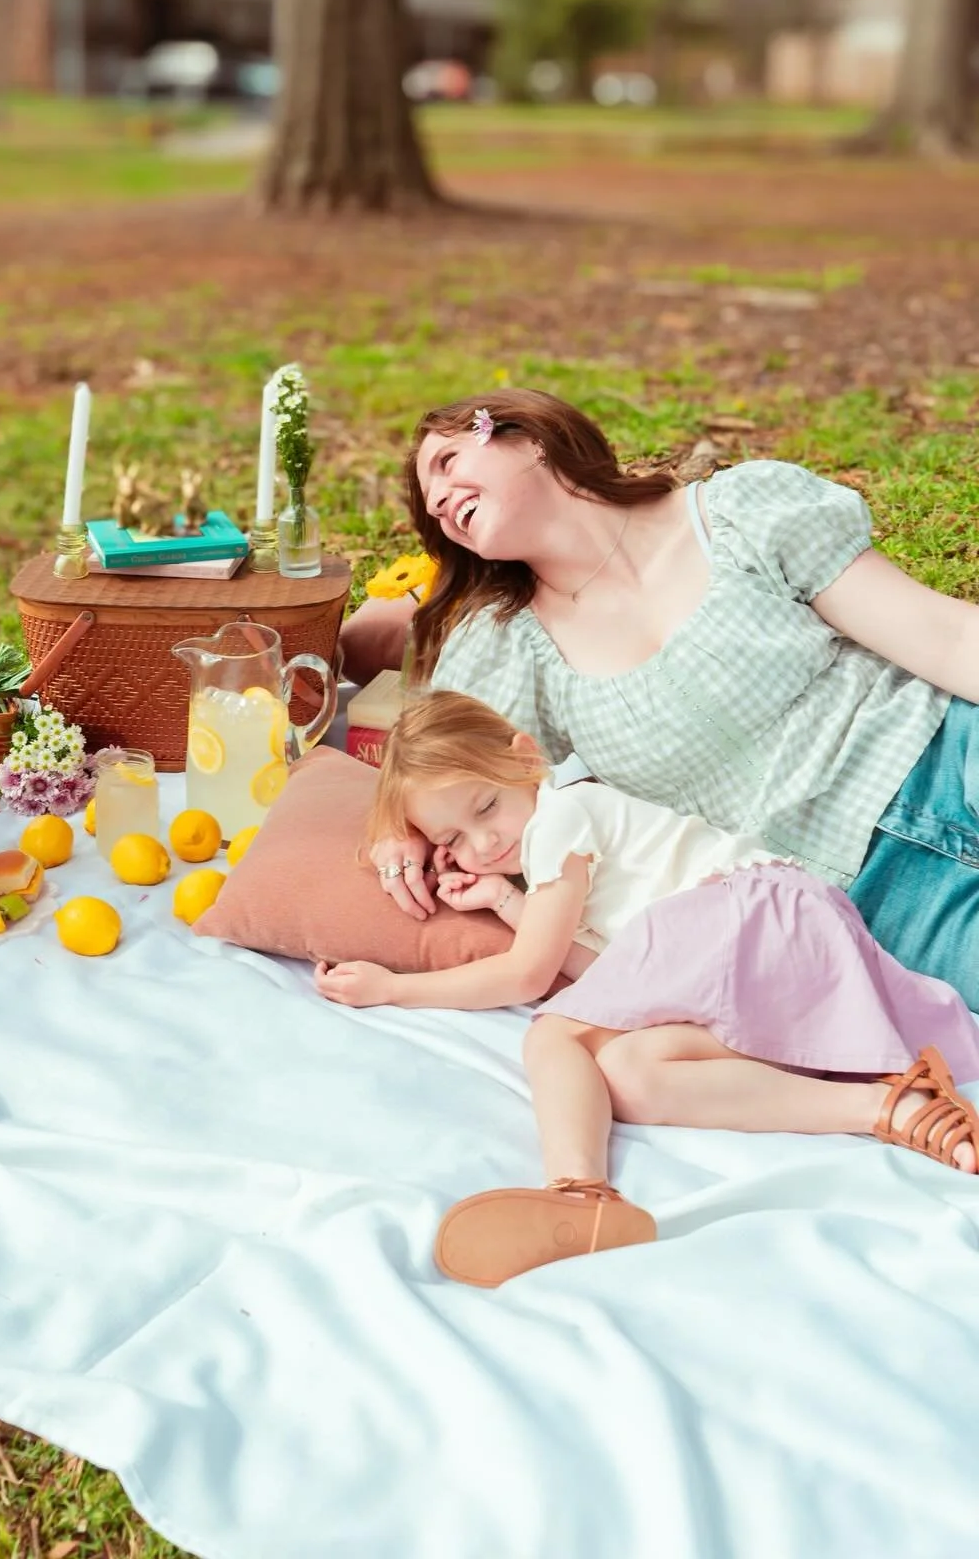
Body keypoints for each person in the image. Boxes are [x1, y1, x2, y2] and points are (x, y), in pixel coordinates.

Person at [315, 690, 979, 1288]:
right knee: (627, 1072)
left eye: (486, 806)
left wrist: (394, 988)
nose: (484, 842)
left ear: (525, 757)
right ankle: (890, 1108)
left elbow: (528, 975)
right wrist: (505, 902)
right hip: (768, 942)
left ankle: (581, 1191)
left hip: (745, 914)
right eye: (452, 839)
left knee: (551, 1037)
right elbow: (605, 981)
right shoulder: (552, 863)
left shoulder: (562, 814)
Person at [347, 387, 979, 1009]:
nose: (437, 499)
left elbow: (946, 638)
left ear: (530, 438)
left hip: (950, 750)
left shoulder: (738, 515)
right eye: (430, 504)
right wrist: (397, 832)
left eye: (447, 461)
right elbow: (434, 766)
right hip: (866, 890)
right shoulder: (506, 644)